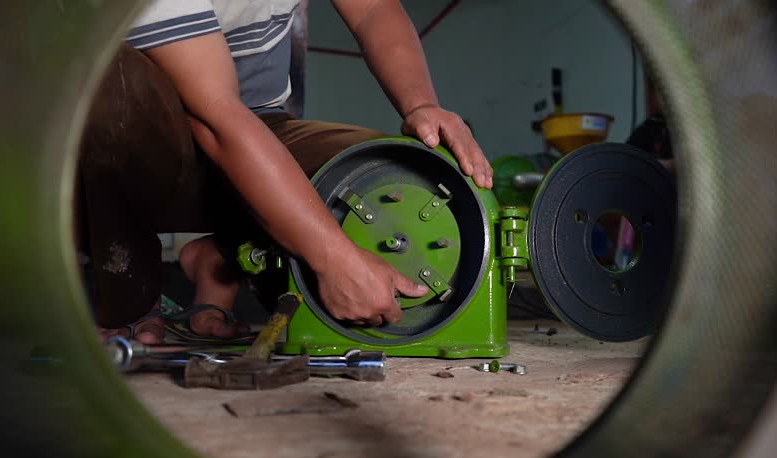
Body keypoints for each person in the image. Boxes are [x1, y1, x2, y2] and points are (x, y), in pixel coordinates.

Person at [75, 0, 493, 344]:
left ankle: (222, 255)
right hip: (147, 141)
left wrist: (421, 105)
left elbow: (373, 10)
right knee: (114, 84)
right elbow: (216, 119)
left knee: (378, 168)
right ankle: (132, 300)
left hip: (258, 123)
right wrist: (334, 258)